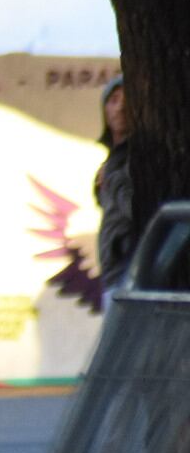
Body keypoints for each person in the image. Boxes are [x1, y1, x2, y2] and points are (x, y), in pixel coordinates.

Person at [96, 72, 134, 297]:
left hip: (129, 271)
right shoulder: (112, 161)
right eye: (114, 100)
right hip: (114, 274)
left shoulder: (136, 158)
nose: (120, 108)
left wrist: (114, 177)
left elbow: (132, 207)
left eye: (127, 100)